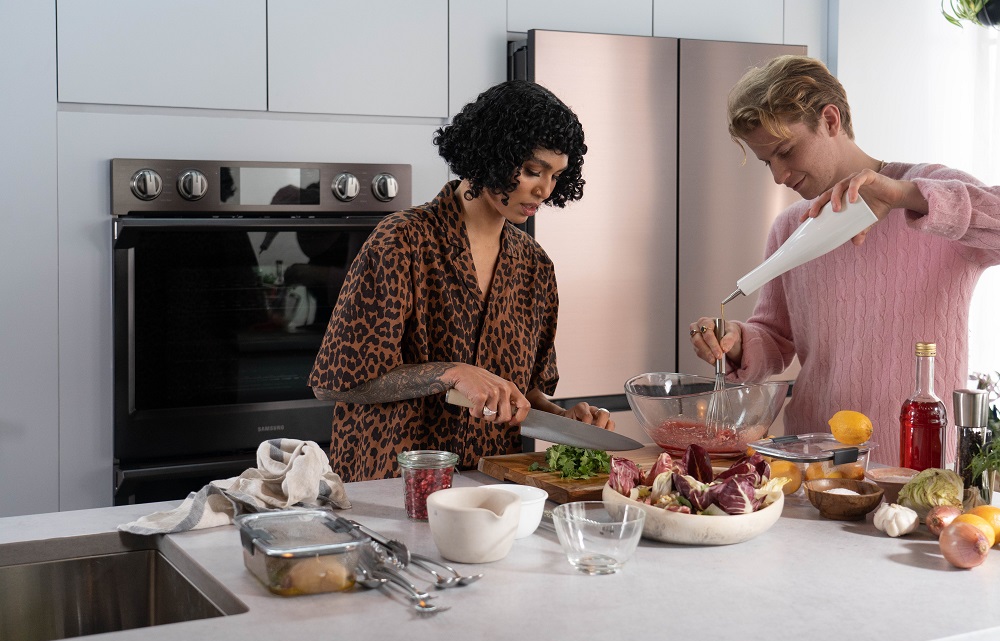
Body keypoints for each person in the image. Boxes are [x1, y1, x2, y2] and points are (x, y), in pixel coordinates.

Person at [689, 55, 1000, 467]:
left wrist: (906, 196)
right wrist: (735, 342)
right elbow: (776, 338)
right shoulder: (789, 227)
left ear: (830, 121)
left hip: (915, 468)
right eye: (768, 162)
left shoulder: (929, 191)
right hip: (813, 468)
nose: (779, 176)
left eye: (786, 151)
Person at [308, 80, 614, 482]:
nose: (543, 189)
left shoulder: (535, 267)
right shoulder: (402, 241)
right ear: (491, 154)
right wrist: (451, 372)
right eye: (531, 171)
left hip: (490, 489)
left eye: (556, 176)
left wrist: (565, 419)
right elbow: (336, 383)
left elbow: (524, 394)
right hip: (392, 486)